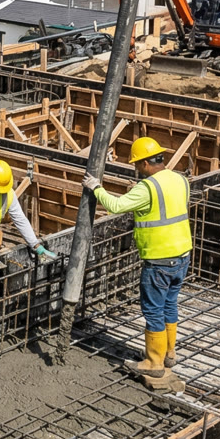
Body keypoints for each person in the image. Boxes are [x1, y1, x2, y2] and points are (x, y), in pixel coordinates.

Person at [82, 137, 192, 394]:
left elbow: (116, 206)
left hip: (159, 260)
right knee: (169, 305)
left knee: (153, 311)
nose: (135, 169)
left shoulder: (147, 187)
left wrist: (96, 187)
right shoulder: (180, 179)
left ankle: (154, 362)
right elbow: (165, 207)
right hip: (183, 255)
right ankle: (169, 354)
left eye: (136, 164)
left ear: (144, 162)